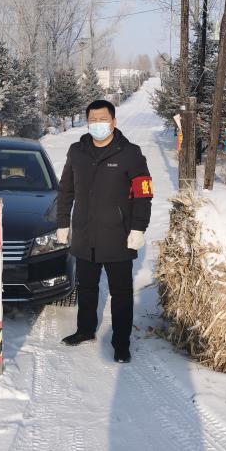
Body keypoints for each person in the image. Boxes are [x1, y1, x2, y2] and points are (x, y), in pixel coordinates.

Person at [56, 99, 153, 363]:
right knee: (86, 287)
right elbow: (66, 190)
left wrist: (138, 228)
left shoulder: (130, 153)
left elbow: (144, 194)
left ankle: (121, 343)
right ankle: (85, 330)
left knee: (120, 293)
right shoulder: (77, 151)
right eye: (93, 120)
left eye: (103, 119)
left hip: (118, 236)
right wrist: (63, 222)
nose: (98, 124)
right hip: (85, 235)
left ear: (113, 122)